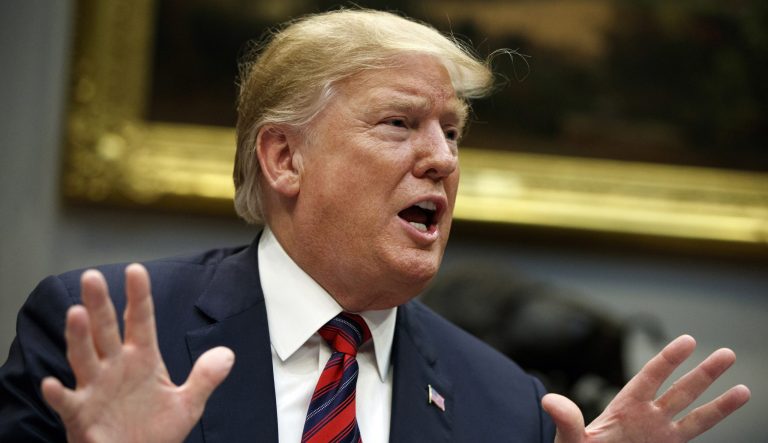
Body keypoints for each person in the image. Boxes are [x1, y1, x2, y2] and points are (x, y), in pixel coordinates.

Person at [0, 8, 750, 443]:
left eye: (452, 134)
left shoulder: (505, 406)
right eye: (401, 124)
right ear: (284, 156)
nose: (442, 160)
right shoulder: (103, 339)